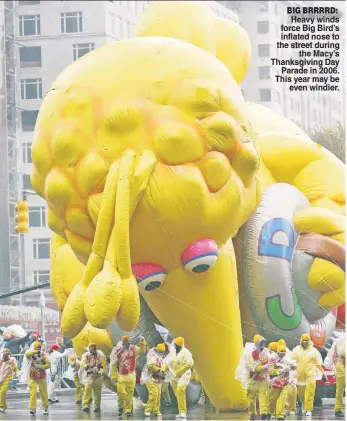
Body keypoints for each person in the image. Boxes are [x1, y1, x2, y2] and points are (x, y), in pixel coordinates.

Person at [110, 335, 147, 417]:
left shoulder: (134, 348)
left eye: (129, 342)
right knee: (121, 393)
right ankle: (120, 407)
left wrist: (142, 344)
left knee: (129, 394)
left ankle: (128, 410)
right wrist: (114, 376)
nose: (128, 344)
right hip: (121, 375)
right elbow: (113, 364)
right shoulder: (118, 351)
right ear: (123, 343)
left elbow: (142, 352)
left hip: (131, 375)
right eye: (127, 342)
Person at [291, 334, 326, 418]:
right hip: (300, 375)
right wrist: (291, 371)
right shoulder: (296, 350)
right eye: (303, 340)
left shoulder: (314, 351)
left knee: (310, 392)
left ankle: (309, 409)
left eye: (306, 340)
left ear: (309, 341)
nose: (304, 342)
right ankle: (303, 403)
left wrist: (322, 372)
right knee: (301, 392)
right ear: (301, 340)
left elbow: (318, 363)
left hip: (311, 375)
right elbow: (292, 362)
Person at [164, 337, 194, 420]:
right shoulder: (172, 352)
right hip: (173, 376)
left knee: (180, 389)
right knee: (177, 393)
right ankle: (180, 411)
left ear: (179, 345)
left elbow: (189, 364)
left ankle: (183, 411)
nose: (174, 345)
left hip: (184, 375)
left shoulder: (186, 352)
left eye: (175, 344)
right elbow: (167, 363)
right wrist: (163, 370)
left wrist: (178, 372)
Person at [244, 335, 270, 421]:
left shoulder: (266, 351)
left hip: (262, 379)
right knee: (251, 398)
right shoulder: (249, 353)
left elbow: (270, 361)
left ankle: (264, 414)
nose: (263, 344)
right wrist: (262, 368)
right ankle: (252, 413)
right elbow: (251, 366)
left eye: (263, 342)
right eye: (261, 342)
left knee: (263, 396)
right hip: (253, 379)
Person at [268, 344, 296, 421]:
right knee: (273, 399)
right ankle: (269, 412)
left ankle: (280, 414)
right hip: (275, 383)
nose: (283, 353)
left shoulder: (287, 359)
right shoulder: (272, 359)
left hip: (285, 383)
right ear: (277, 352)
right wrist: (280, 370)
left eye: (284, 351)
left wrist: (291, 367)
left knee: (283, 398)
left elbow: (294, 367)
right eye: (281, 351)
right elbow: (270, 371)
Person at [141, 343, 166, 418]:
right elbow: (150, 365)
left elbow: (163, 367)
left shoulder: (160, 357)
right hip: (150, 378)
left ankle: (156, 410)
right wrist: (159, 370)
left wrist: (163, 372)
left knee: (158, 394)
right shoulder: (153, 356)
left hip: (158, 378)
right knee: (154, 394)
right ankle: (147, 410)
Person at [26, 341, 51, 416]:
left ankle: (46, 407)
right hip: (32, 376)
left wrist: (41, 366)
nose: (37, 349)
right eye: (35, 347)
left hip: (42, 376)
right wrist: (36, 351)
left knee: (43, 392)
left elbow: (48, 364)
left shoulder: (44, 354)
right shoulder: (31, 354)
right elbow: (27, 354)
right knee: (32, 393)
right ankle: (33, 409)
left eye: (38, 347)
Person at [80, 343, 107, 413]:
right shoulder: (85, 355)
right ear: (89, 348)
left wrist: (101, 371)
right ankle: (86, 405)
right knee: (87, 390)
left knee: (97, 392)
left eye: (95, 346)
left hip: (98, 376)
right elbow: (82, 363)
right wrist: (87, 366)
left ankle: (97, 406)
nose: (94, 347)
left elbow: (104, 364)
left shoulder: (100, 354)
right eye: (92, 346)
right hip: (89, 375)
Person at [324, 333, 345, 418]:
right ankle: (338, 409)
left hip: (340, 363)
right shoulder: (339, 339)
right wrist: (328, 364)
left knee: (340, 388)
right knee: (340, 388)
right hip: (341, 364)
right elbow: (331, 352)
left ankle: (338, 409)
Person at [278, 339, 297, 417]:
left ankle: (291, 408)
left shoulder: (289, 354)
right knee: (283, 394)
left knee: (291, 392)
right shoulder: (276, 355)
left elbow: (293, 365)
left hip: (290, 376)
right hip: (281, 377)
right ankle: (285, 409)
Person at [0, 349, 20, 413]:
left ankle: (1, 406)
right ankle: (4, 406)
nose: (7, 355)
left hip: (8, 379)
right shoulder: (1, 360)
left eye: (8, 354)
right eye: (5, 354)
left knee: (2, 392)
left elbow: (16, 368)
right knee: (2, 393)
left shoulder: (12, 360)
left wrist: (18, 374)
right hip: (0, 378)